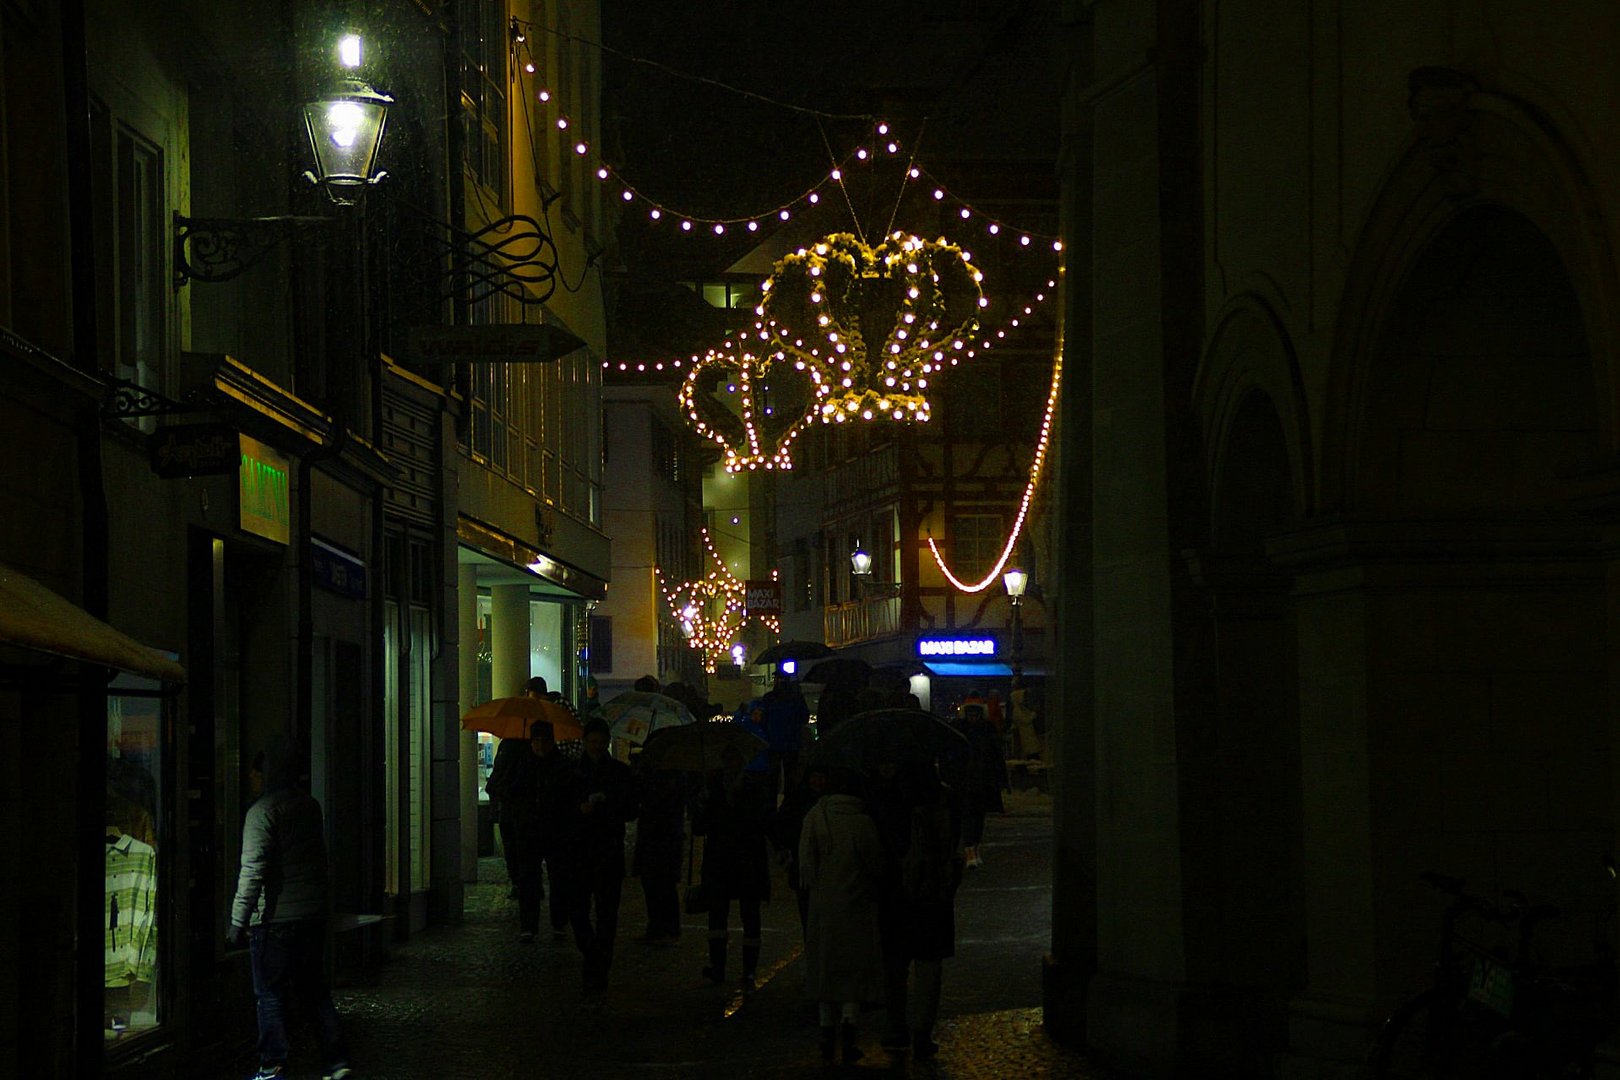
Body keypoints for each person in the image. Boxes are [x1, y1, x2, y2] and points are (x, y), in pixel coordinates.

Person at [228, 737, 351, 1080]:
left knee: (269, 994)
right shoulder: (309, 806)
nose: (251, 777)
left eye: (256, 771)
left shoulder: (261, 813)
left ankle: (272, 1064)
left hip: (275, 919)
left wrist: (237, 922)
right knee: (315, 992)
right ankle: (336, 1060)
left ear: (267, 772)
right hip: (310, 916)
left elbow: (252, 871)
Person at [873, 762, 962, 1060]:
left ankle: (896, 1027)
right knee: (929, 966)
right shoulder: (945, 800)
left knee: (894, 966)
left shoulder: (888, 802)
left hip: (895, 895)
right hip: (934, 895)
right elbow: (957, 846)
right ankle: (922, 1032)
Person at [799, 768, 886, 1065]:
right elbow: (876, 865)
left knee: (825, 966)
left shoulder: (815, 817)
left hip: (823, 905)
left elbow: (805, 867)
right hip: (856, 904)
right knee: (853, 969)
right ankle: (850, 1030)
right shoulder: (862, 823)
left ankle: (826, 1032)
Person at [557, 717, 639, 1009]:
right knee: (578, 912)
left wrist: (608, 806)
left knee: (607, 916)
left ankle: (598, 967)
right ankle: (592, 956)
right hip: (579, 852)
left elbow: (630, 809)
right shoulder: (571, 774)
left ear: (605, 742)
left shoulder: (618, 773)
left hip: (607, 851)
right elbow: (562, 809)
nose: (595, 746)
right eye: (591, 741)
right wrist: (580, 810)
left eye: (599, 742)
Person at [693, 744, 773, 989]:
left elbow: (761, 820)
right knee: (720, 914)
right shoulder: (715, 789)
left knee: (747, 914)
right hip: (728, 859)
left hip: (741, 858)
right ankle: (722, 968)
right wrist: (702, 805)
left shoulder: (752, 787)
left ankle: (746, 971)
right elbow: (700, 827)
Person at [488, 719, 571, 943]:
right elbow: (502, 788)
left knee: (558, 879)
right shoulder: (522, 765)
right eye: (537, 741)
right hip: (528, 830)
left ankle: (558, 922)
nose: (541, 746)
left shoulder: (561, 767)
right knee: (529, 880)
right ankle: (530, 925)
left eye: (546, 741)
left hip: (554, 831)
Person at [769, 760, 830, 938]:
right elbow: (780, 826)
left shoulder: (812, 800)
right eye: (814, 777)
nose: (817, 782)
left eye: (821, 778)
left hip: (817, 867)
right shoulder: (800, 799)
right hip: (804, 867)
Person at [630, 760, 685, 945]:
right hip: (650, 837)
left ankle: (670, 930)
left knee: (665, 885)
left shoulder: (674, 777)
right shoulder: (647, 773)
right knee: (651, 884)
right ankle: (656, 928)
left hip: (666, 837)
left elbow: (664, 802)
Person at [957, 703, 1008, 868]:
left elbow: (996, 756)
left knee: (977, 817)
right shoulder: (972, 730)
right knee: (969, 817)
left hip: (980, 781)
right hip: (969, 781)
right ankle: (970, 851)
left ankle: (974, 850)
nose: (972, 717)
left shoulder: (982, 730)